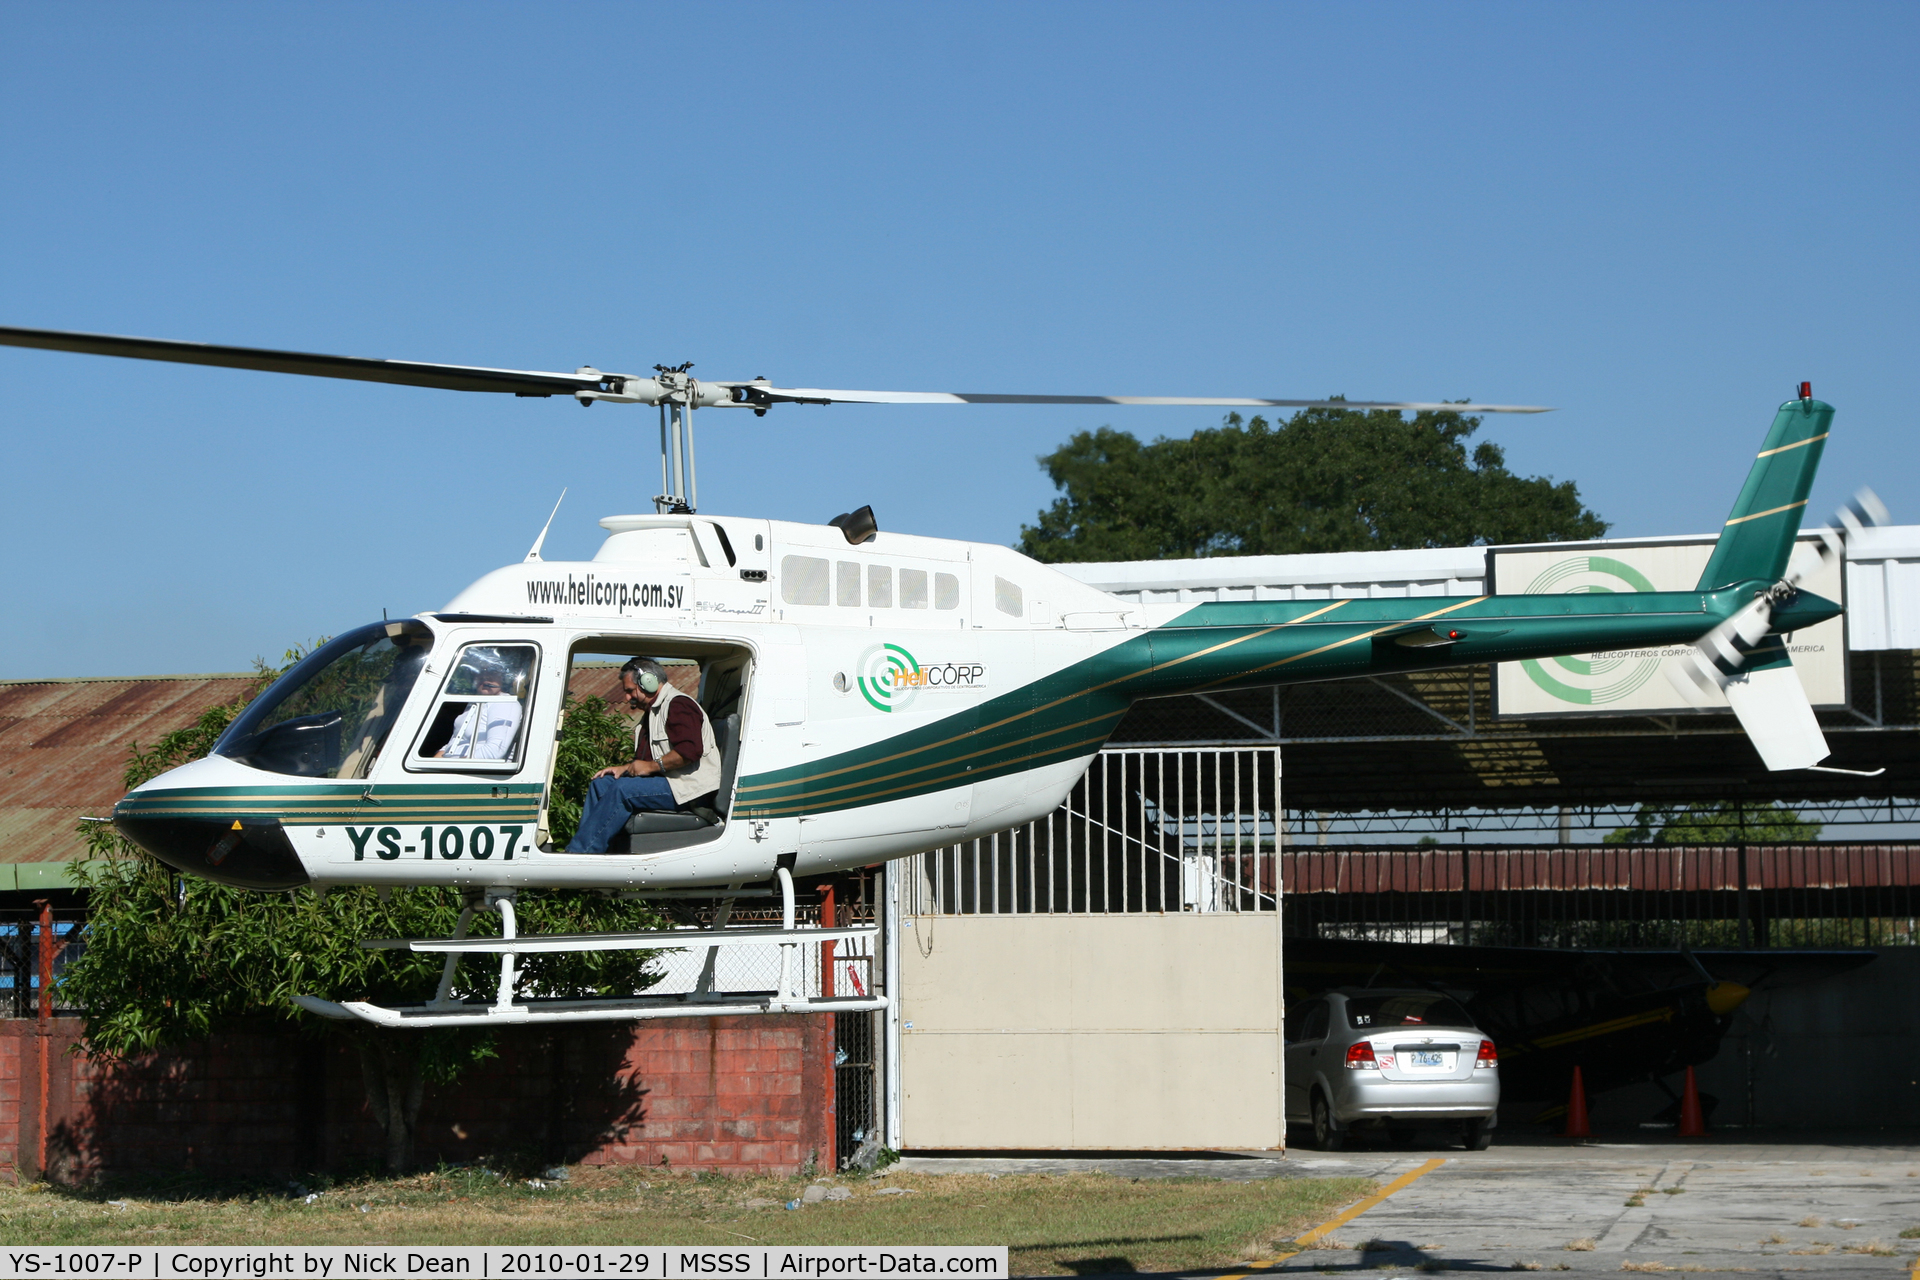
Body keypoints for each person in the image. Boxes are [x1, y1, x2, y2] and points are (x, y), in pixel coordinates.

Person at [567, 657, 720, 852]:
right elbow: (649, 758)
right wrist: (625, 768)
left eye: (630, 691)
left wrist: (649, 767)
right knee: (601, 783)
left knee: (623, 789)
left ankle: (580, 854)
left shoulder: (679, 705)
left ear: (648, 682)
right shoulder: (653, 712)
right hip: (669, 782)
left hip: (688, 789)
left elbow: (689, 751)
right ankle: (603, 856)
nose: (627, 698)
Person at [435, 653, 525, 760]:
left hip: (474, 773)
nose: (486, 677)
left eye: (493, 672)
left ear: (504, 678)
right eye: (481, 672)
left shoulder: (505, 703)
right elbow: (453, 743)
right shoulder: (475, 703)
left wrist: (449, 766)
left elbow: (494, 752)